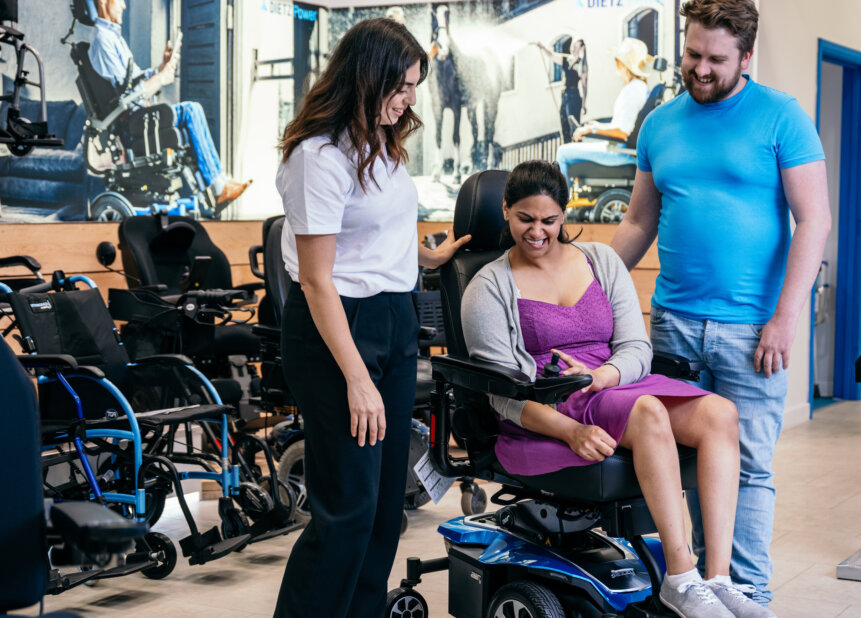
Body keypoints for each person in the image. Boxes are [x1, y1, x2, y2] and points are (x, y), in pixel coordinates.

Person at [462, 160, 770, 618]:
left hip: (614, 383)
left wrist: (606, 374)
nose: (538, 232)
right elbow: (504, 393)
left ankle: (719, 579)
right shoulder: (486, 286)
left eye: (549, 220)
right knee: (648, 412)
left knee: (720, 413)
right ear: (506, 211)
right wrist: (570, 431)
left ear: (564, 215)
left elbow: (635, 346)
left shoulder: (601, 260)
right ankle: (682, 578)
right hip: (550, 403)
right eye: (525, 218)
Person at [610, 0, 831, 610]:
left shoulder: (782, 117)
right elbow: (636, 222)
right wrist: (588, 282)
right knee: (673, 467)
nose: (699, 69)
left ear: (746, 57)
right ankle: (695, 592)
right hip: (673, 325)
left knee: (750, 470)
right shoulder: (659, 124)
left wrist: (785, 319)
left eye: (715, 60)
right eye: (691, 54)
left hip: (753, 331)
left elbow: (814, 222)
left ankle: (747, 595)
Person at [271, 18, 469, 618]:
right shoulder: (319, 157)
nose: (411, 99)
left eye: (414, 86)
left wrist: (428, 256)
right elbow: (316, 278)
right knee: (348, 507)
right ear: (367, 77)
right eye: (402, 85)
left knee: (386, 505)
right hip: (338, 330)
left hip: (393, 318)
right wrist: (356, 376)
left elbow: (378, 231)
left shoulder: (379, 144)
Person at [89, 0, 251, 205]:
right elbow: (126, 95)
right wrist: (162, 78)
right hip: (133, 121)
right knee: (191, 110)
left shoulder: (112, 37)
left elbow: (134, 78)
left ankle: (217, 183)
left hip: (138, 114)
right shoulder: (102, 40)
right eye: (120, 0)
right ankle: (218, 186)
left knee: (192, 111)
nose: (124, 6)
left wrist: (160, 68)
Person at [554, 37, 650, 179]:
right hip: (622, 149)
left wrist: (591, 129)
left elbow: (623, 131)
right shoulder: (639, 87)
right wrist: (599, 126)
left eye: (617, 61)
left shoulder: (633, 90)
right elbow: (623, 126)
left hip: (621, 153)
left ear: (623, 65)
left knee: (562, 152)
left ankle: (560, 201)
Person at [535, 39, 588, 143]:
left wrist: (583, 104)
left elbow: (584, 85)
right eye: (573, 46)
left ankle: (576, 151)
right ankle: (566, 149)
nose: (573, 49)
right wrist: (543, 47)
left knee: (574, 126)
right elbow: (551, 55)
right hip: (565, 95)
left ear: (581, 48)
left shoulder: (581, 64)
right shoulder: (566, 60)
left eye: (576, 47)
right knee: (564, 126)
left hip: (574, 97)